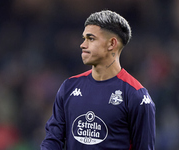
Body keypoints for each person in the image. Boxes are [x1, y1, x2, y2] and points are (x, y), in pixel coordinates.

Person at [41, 10, 155, 150]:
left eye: (91, 38)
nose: (82, 45)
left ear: (112, 44)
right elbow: (52, 140)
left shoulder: (136, 95)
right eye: (84, 38)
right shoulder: (69, 87)